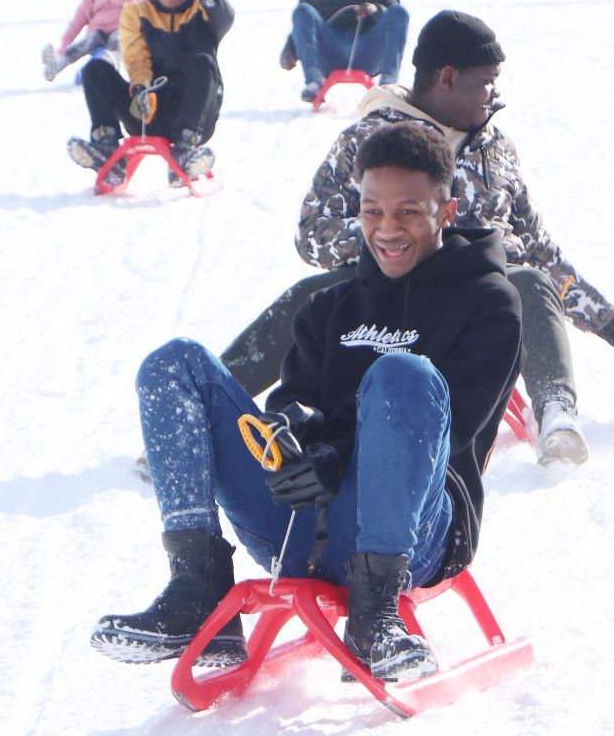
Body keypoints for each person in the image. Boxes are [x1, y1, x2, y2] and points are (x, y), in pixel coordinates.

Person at [92, 121, 524, 679]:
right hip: (295, 527)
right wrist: (292, 430)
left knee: (403, 375)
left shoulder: (489, 303)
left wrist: (335, 454)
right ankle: (197, 590)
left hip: (411, 533)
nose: (387, 229)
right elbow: (295, 399)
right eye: (372, 211)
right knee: (174, 364)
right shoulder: (330, 305)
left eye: (409, 211)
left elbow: (452, 428)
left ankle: (375, 617)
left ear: (446, 210)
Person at [227, 10, 614, 467]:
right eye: (486, 80)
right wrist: (402, 239)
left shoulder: (495, 148)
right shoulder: (370, 138)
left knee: (529, 280)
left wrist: (609, 321)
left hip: (478, 302)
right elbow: (314, 234)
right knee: (310, 297)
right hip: (388, 297)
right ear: (447, 76)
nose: (495, 93)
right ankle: (212, 403)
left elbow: (539, 248)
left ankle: (557, 417)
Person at [67, 0, 233, 187]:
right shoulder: (138, 11)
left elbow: (224, 19)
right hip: (149, 109)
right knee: (96, 69)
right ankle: (107, 148)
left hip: (195, 113)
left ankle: (186, 152)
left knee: (203, 62)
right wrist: (141, 90)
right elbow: (135, 56)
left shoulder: (201, 10)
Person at [279, 0, 408, 103]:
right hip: (330, 54)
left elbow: (395, 18)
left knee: (399, 11)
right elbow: (302, 25)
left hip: (369, 52)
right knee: (302, 10)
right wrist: (289, 51)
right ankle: (314, 81)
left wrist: (375, 9)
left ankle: (388, 82)